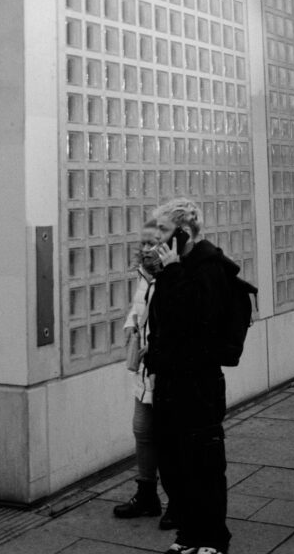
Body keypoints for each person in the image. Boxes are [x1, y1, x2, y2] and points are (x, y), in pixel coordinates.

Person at [145, 198, 232, 554]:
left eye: (164, 231)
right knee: (174, 464)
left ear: (183, 233)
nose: (156, 238)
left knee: (203, 465)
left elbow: (196, 320)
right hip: (169, 382)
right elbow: (162, 323)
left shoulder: (210, 267)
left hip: (198, 385)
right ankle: (189, 536)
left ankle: (213, 540)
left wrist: (172, 273)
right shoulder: (174, 269)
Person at [113, 222, 176, 529]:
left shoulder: (175, 275)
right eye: (145, 245)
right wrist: (131, 324)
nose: (148, 250)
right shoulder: (144, 274)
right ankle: (147, 495)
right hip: (145, 366)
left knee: (171, 436)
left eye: (154, 244)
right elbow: (140, 306)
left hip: (166, 368)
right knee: (142, 430)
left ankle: (178, 502)